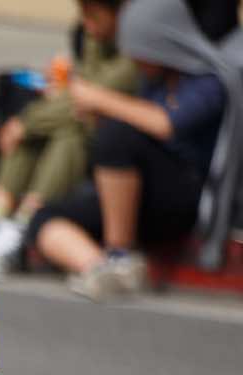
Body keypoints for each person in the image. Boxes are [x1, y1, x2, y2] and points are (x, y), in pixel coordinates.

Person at [29, 0, 234, 300]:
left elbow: (165, 123)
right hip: (135, 197)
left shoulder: (209, 82)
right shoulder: (152, 82)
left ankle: (119, 253)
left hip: (183, 200)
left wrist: (100, 99)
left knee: (117, 136)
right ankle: (99, 268)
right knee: (45, 218)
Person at [0, 0, 139, 274]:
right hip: (87, 120)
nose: (87, 24)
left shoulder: (135, 51)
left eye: (93, 16)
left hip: (116, 141)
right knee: (42, 131)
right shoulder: (96, 38)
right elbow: (79, 92)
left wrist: (25, 123)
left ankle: (23, 226)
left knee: (68, 133)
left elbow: (86, 96)